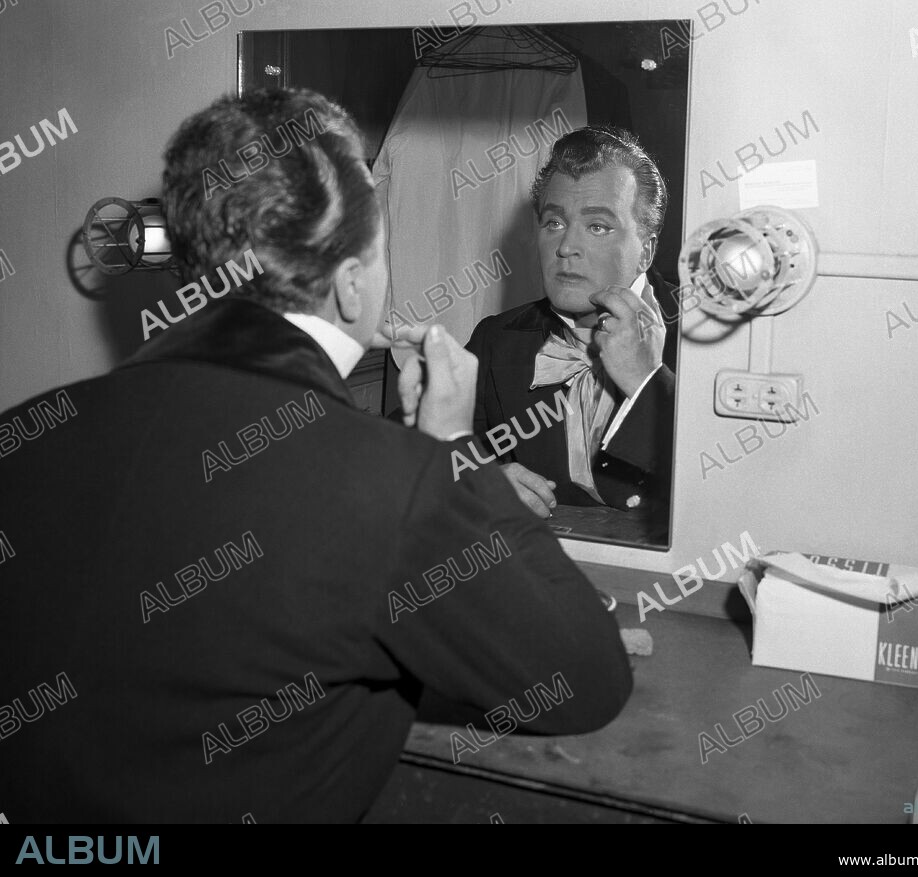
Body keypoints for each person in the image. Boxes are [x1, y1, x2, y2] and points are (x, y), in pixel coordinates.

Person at [0, 89, 632, 823]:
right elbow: (586, 680)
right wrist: (454, 454)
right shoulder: (395, 485)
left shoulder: (27, 433)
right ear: (354, 281)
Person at [465, 126, 677, 521]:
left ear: (646, 251)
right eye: (554, 224)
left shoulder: (710, 338)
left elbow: (746, 486)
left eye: (598, 226)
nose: (565, 248)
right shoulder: (495, 341)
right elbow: (416, 450)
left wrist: (647, 383)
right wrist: (477, 481)